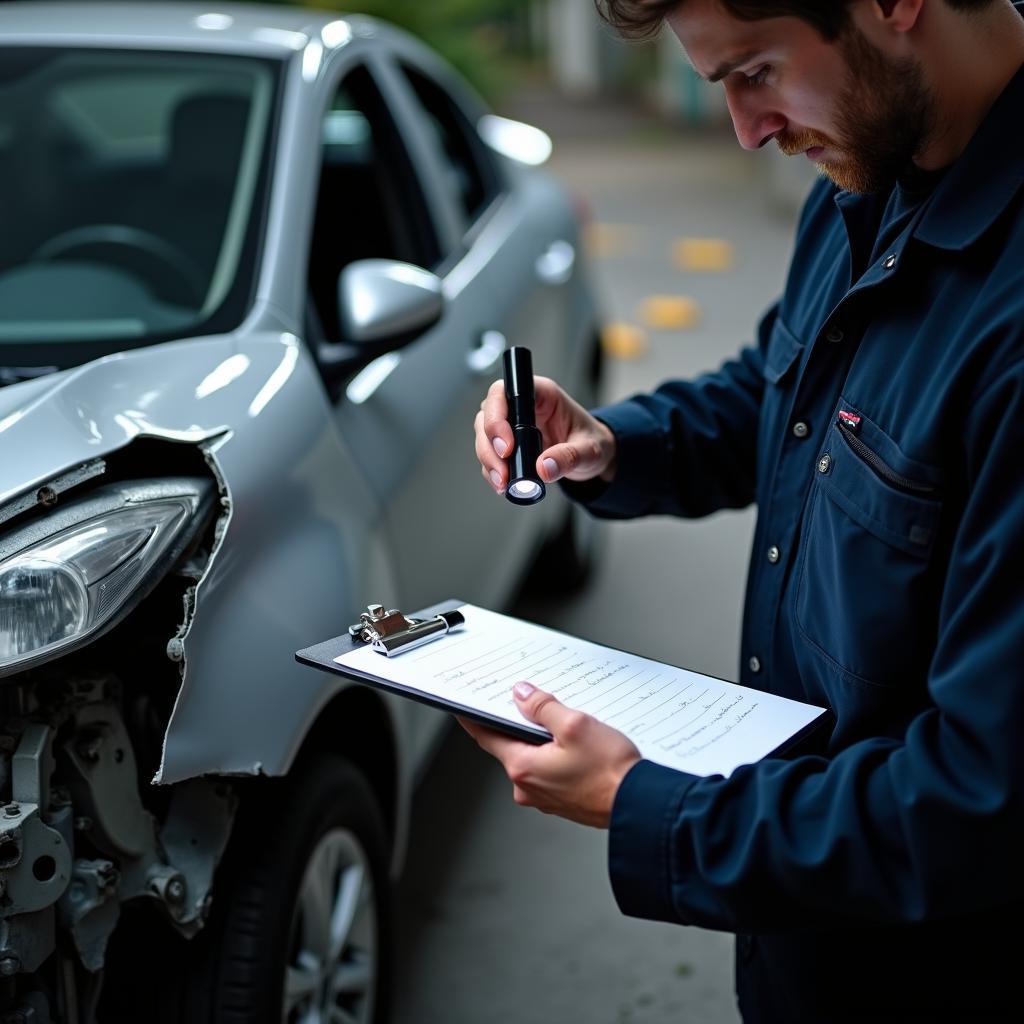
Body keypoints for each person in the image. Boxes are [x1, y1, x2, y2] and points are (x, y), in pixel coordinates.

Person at [465, 1, 1024, 1020]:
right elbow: (790, 394)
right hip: (805, 937)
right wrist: (609, 444)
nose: (745, 129)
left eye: (754, 72)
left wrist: (654, 812)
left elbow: (984, 796)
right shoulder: (868, 164)